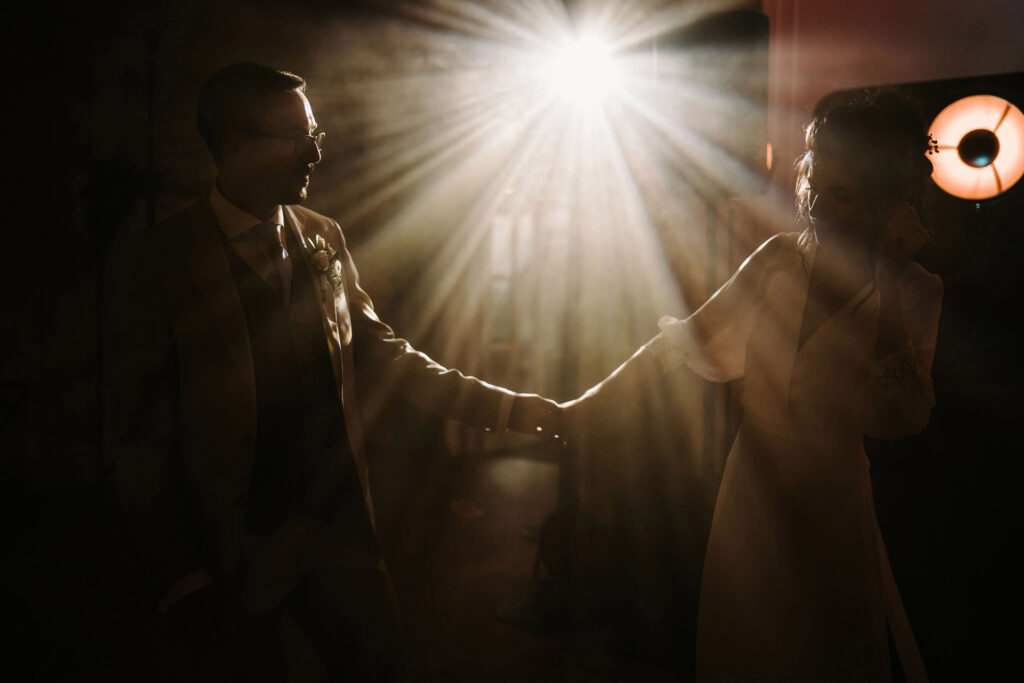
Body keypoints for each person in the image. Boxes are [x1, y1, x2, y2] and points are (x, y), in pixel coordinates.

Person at [102, 61, 561, 681]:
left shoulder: (323, 237)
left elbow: (381, 353)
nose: (315, 154)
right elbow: (140, 441)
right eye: (298, 138)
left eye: (314, 135)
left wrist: (507, 409)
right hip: (234, 545)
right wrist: (181, 578)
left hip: (339, 530)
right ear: (234, 144)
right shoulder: (157, 263)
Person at [562, 91, 942, 682]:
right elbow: (684, 341)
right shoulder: (778, 260)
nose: (817, 207)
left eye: (842, 194)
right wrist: (583, 406)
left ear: (887, 200)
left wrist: (887, 280)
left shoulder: (914, 291)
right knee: (743, 649)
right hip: (751, 492)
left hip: (832, 502)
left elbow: (902, 416)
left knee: (824, 653)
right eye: (815, 185)